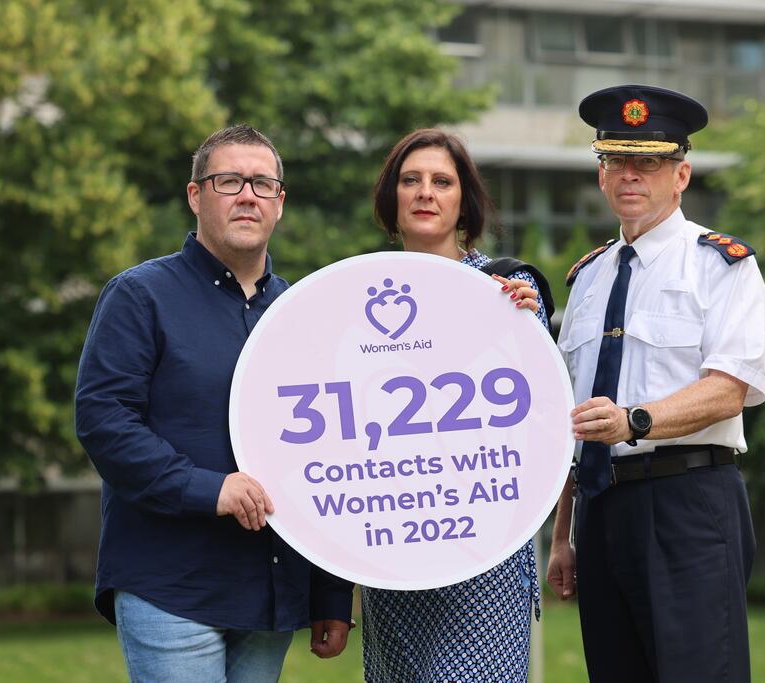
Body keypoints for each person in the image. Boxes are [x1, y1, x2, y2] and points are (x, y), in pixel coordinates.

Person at [75, 124, 353, 682]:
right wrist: (210, 488)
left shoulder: (302, 312)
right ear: (195, 195)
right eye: (229, 181)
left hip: (269, 591)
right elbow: (105, 421)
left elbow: (331, 449)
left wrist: (330, 592)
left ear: (280, 202)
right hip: (172, 584)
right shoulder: (140, 296)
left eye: (262, 183)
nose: (248, 195)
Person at [546, 85, 765, 682]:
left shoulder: (721, 266)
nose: (630, 175)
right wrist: (563, 533)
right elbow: (575, 413)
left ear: (681, 175)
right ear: (601, 175)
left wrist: (634, 421)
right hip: (600, 509)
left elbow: (728, 388)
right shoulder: (587, 278)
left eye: (648, 162)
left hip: (687, 501)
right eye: (616, 160)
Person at [361, 128, 550, 682]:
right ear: (392, 198)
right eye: (411, 180)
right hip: (395, 546)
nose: (425, 192)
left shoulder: (507, 289)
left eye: (442, 182)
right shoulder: (357, 295)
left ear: (464, 202)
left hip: (484, 551)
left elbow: (538, 417)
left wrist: (525, 328)